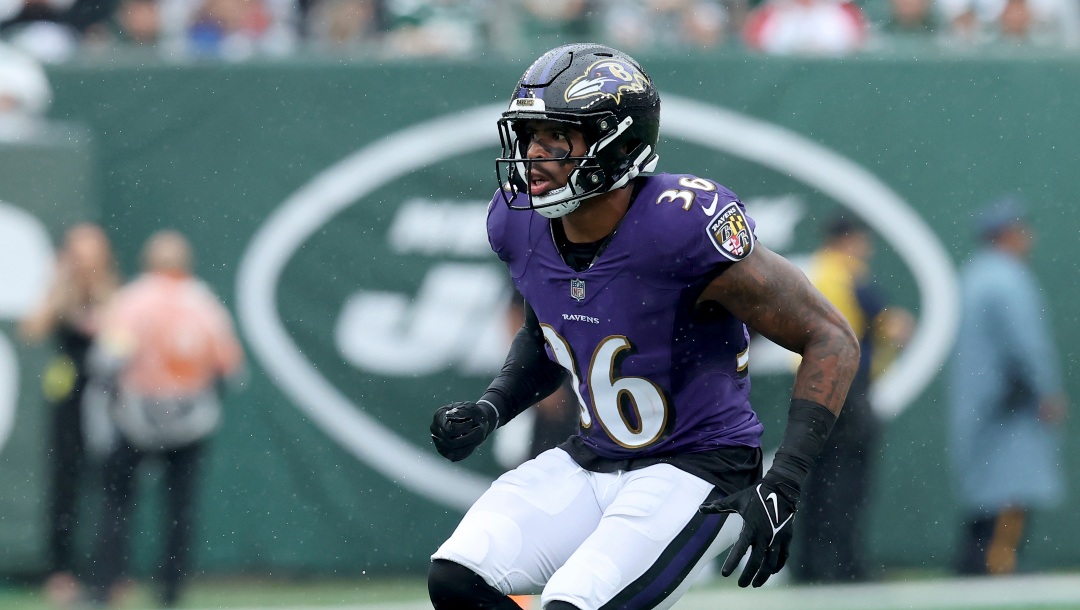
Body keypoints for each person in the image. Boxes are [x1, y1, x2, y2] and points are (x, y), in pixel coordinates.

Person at [426, 43, 860, 610]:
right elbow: (548, 335)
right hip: (591, 456)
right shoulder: (518, 223)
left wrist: (785, 483)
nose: (533, 155)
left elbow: (831, 337)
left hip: (695, 466)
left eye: (556, 139)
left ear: (618, 146)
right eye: (530, 136)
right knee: (457, 579)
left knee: (572, 604)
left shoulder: (680, 229)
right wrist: (492, 407)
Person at [84, 230, 245, 607]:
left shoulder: (134, 301)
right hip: (192, 422)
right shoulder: (206, 304)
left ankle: (104, 588)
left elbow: (108, 360)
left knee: (116, 505)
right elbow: (230, 368)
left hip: (137, 419)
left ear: (148, 262)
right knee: (179, 511)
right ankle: (171, 593)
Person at [948, 197, 1068, 576]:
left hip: (981, 404)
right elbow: (1026, 344)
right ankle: (997, 563)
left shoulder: (973, 275)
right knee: (1010, 486)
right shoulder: (1009, 279)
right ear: (1008, 234)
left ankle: (974, 560)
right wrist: (1046, 390)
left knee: (986, 488)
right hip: (1009, 405)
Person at [791, 215, 913, 583]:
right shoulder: (846, 274)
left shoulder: (810, 273)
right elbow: (897, 326)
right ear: (849, 240)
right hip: (845, 392)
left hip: (808, 391)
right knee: (846, 483)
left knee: (816, 480)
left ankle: (811, 566)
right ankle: (843, 565)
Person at [18, 223, 121, 608]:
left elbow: (124, 334)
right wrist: (57, 281)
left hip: (108, 398)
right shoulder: (61, 288)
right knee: (65, 483)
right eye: (79, 249)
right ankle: (61, 571)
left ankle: (108, 572)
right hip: (68, 400)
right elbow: (32, 328)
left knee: (111, 484)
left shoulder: (112, 288)